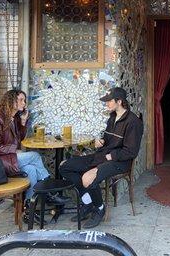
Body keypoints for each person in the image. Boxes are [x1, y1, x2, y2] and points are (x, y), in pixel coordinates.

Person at [59, 86, 144, 229]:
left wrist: (112, 155)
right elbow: (108, 139)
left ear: (119, 101)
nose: (106, 104)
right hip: (103, 156)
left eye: (109, 101)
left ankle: (99, 209)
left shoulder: (133, 122)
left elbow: (131, 152)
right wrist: (102, 141)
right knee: (64, 166)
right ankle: (88, 203)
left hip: (120, 162)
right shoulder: (112, 118)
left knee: (87, 178)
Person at [0, 89, 66, 222]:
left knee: (31, 170)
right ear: (11, 101)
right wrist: (14, 149)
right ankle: (49, 193)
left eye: (24, 100)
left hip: (7, 158)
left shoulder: (12, 117)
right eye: (20, 100)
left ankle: (28, 211)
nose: (24, 103)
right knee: (35, 156)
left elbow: (18, 139)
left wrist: (22, 122)